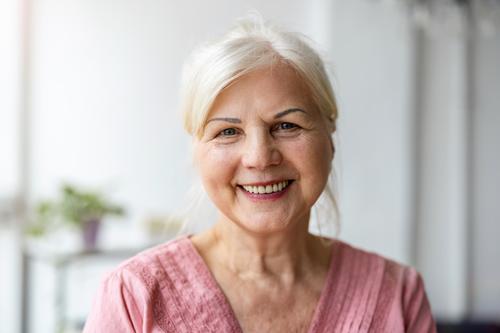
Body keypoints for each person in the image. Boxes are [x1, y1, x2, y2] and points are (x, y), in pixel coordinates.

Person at [83, 15, 437, 333]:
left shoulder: (398, 295)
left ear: (330, 137)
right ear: (197, 150)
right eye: (227, 132)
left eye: (286, 125)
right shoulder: (133, 296)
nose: (259, 158)